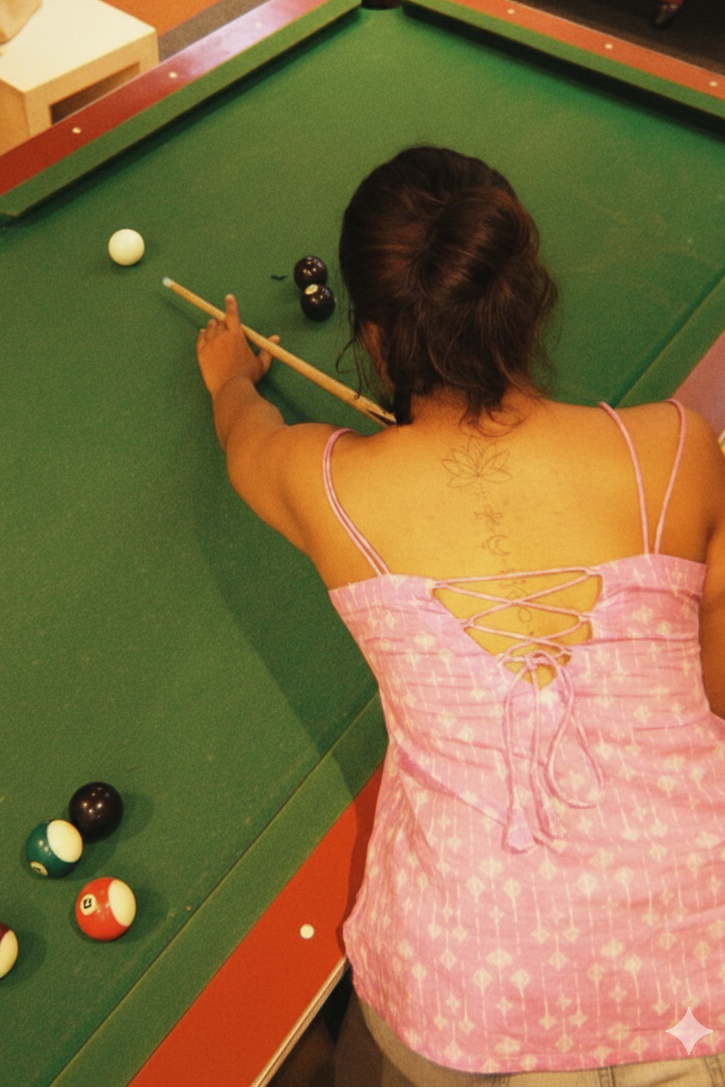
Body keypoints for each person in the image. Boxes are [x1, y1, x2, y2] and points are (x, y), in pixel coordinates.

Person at [196, 147, 725, 1087]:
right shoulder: (678, 448)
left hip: (464, 1005)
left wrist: (230, 376)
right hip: (705, 980)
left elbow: (248, 437)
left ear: (370, 335)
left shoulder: (325, 482)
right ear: (525, 298)